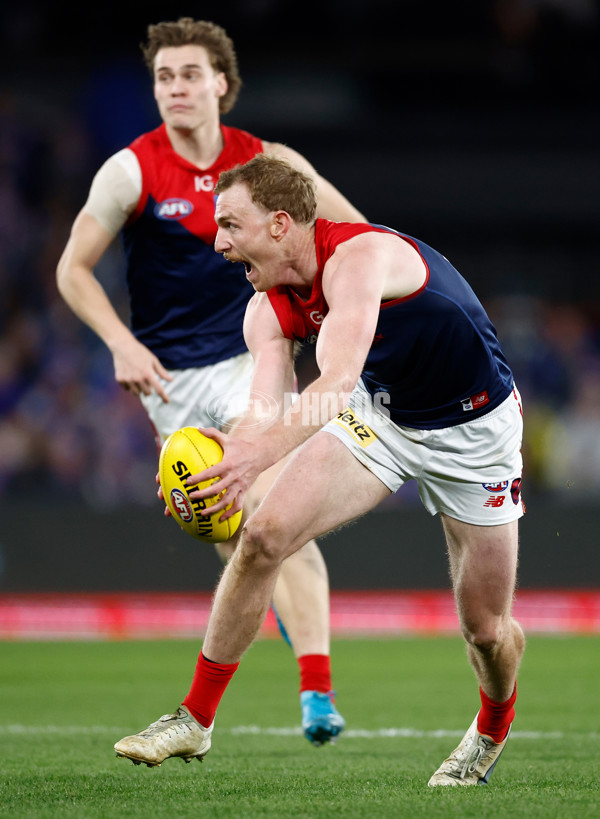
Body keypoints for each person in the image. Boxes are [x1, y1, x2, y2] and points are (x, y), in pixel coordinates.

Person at [114, 154, 527, 786]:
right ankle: (193, 719)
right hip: (384, 417)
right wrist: (219, 467)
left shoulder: (358, 259)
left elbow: (334, 381)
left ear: (280, 225)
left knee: (486, 629)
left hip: (474, 433)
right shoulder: (265, 307)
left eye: (230, 225)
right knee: (261, 535)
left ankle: (492, 726)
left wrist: (253, 458)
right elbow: (264, 410)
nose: (219, 242)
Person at [56, 18, 367, 746]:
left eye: (190, 75)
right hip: (170, 383)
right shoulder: (132, 170)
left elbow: (352, 230)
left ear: (221, 83)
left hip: (251, 355)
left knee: (269, 503)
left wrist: (344, 307)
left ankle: (316, 693)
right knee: (239, 542)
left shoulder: (267, 163)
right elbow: (72, 268)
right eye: (164, 78)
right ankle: (281, 674)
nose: (176, 89)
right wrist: (119, 342)